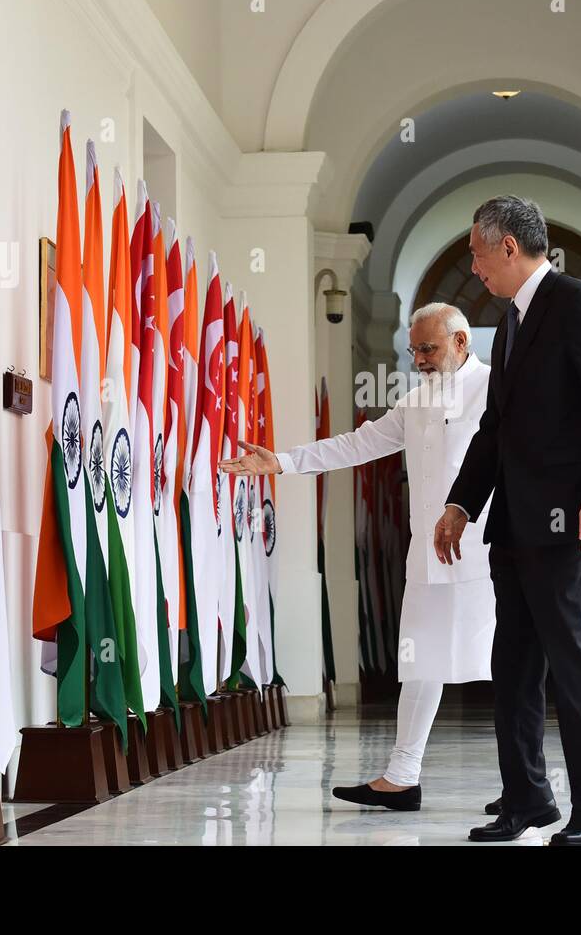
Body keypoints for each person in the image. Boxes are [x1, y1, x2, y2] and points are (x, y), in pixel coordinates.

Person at [220, 303, 497, 810]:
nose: (420, 360)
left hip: (489, 555)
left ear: (461, 343)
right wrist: (280, 462)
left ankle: (524, 785)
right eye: (414, 351)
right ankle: (401, 777)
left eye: (429, 349)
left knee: (511, 666)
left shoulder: (497, 390)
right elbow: (355, 445)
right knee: (419, 663)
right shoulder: (414, 403)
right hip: (428, 555)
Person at [434, 195, 581, 846]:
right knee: (514, 664)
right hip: (513, 530)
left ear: (508, 247)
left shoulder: (575, 304)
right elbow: (496, 429)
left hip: (563, 525)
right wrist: (461, 503)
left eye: (476, 249)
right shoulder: (512, 323)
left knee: (569, 659)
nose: (472, 262)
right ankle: (528, 798)